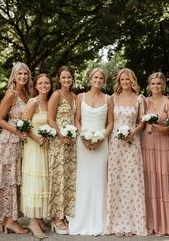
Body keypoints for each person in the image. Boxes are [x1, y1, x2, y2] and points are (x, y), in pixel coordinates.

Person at [69, 67, 114, 235]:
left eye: (101, 78)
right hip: (83, 144)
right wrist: (83, 136)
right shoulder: (80, 97)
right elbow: (77, 120)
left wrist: (102, 137)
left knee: (99, 180)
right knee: (83, 180)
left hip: (102, 144)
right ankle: (81, 219)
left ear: (104, 81)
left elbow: (110, 122)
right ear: (90, 79)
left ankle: (99, 221)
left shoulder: (108, 99)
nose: (98, 80)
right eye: (95, 77)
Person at [0, 62, 33, 233]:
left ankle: (8, 218)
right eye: (19, 74)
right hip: (9, 142)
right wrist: (17, 131)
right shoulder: (11, 94)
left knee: (17, 180)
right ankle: (9, 220)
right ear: (14, 76)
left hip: (21, 141)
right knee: (9, 181)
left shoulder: (26, 93)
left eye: (25, 74)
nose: (23, 77)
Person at [106, 68, 147, 237]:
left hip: (132, 143)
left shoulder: (139, 99)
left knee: (131, 181)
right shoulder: (113, 98)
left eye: (128, 80)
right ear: (119, 81)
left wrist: (132, 132)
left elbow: (142, 122)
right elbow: (109, 121)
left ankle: (132, 223)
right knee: (116, 181)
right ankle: (116, 224)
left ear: (132, 81)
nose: (125, 82)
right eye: (122, 80)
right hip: (115, 144)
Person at [141, 72, 169, 236]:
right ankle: (149, 223)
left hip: (163, 144)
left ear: (163, 85)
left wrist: (157, 128)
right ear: (149, 85)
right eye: (153, 83)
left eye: (159, 84)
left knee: (162, 181)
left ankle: (164, 225)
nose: (156, 86)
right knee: (149, 180)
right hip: (146, 144)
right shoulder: (144, 101)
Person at [20, 73, 53, 239]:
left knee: (44, 182)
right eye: (41, 83)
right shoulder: (33, 102)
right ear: (36, 86)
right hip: (34, 146)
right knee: (35, 182)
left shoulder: (51, 101)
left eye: (47, 83)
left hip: (47, 146)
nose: (44, 85)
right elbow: (23, 126)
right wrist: (37, 138)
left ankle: (40, 218)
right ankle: (33, 221)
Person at [47, 66, 77, 234]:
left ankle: (65, 213)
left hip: (72, 143)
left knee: (69, 179)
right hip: (59, 143)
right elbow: (51, 119)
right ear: (59, 79)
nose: (66, 80)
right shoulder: (56, 95)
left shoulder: (74, 96)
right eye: (63, 78)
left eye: (69, 77)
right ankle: (56, 217)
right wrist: (60, 135)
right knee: (58, 178)